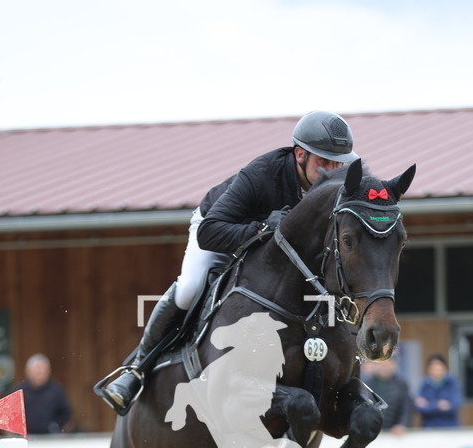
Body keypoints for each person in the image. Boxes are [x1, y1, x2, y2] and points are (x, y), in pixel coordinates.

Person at [99, 110, 358, 415]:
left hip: (278, 255)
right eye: (323, 162)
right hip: (223, 230)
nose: (331, 171)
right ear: (300, 155)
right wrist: (262, 229)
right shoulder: (262, 174)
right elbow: (211, 232)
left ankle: (350, 379)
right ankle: (136, 370)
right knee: (189, 288)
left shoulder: (338, 188)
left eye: (338, 163)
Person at [14, 354, 74, 434]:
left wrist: (57, 428)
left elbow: (66, 414)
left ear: (48, 371)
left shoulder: (56, 390)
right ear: (28, 371)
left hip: (51, 438)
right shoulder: (19, 391)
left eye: (42, 371)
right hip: (26, 439)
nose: (39, 374)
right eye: (36, 371)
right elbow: (11, 417)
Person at [364, 358, 413, 434]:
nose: (384, 366)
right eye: (381, 363)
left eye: (387, 363)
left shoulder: (401, 384)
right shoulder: (367, 384)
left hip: (394, 432)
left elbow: (406, 407)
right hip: (371, 430)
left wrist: (402, 424)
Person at [414, 354, 462, 428]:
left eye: (439, 367)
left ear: (444, 368)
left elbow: (455, 405)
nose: (436, 370)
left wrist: (429, 404)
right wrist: (438, 405)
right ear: (428, 369)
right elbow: (419, 408)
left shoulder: (453, 383)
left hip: (450, 428)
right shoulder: (423, 385)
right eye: (433, 367)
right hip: (429, 428)